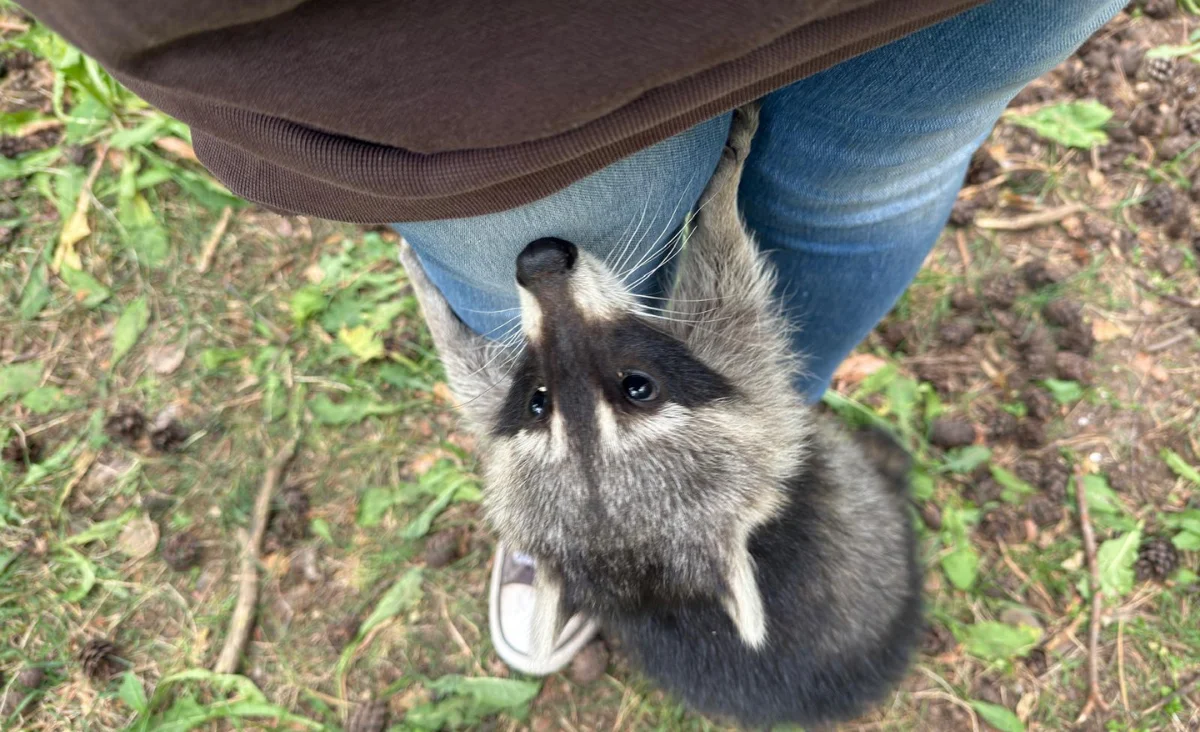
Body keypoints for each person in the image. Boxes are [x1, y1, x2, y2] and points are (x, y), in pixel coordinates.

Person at [22, 0, 1127, 674]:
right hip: (502, 43)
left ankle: (686, 490)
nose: (547, 298)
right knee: (863, 173)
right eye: (627, 397)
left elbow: (497, 342)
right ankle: (608, 525)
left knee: (874, 172)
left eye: (545, 404)